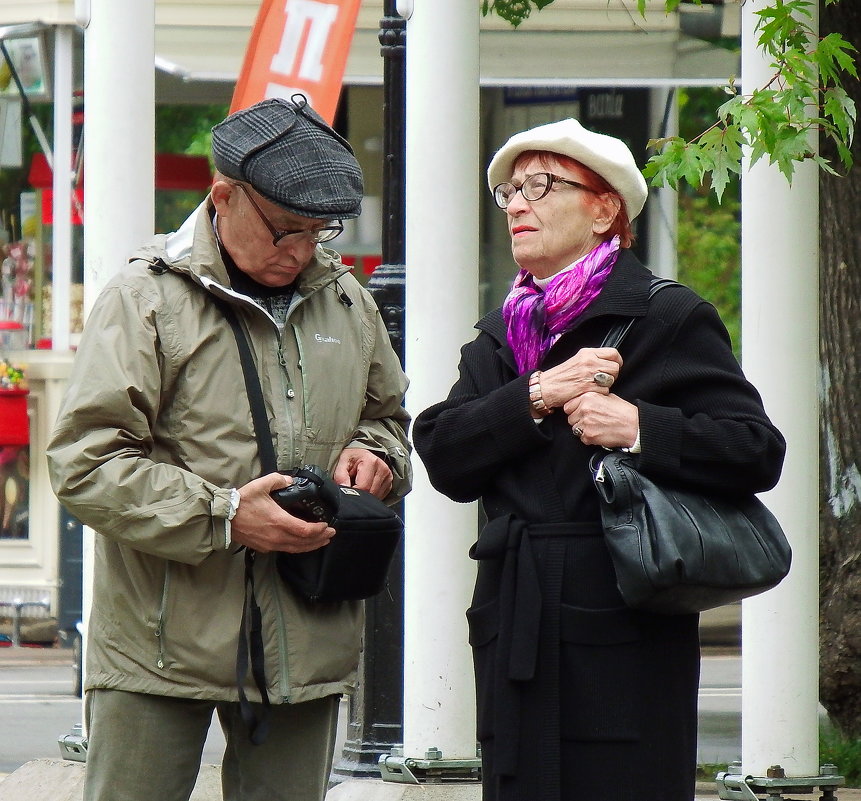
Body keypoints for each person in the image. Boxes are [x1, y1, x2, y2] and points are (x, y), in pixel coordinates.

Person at [46, 95, 412, 801]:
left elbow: (390, 421)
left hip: (306, 639)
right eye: (285, 229)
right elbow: (83, 463)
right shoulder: (144, 298)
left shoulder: (346, 299)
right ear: (223, 196)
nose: (303, 249)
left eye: (320, 230)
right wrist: (222, 514)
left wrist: (378, 458)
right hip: (156, 646)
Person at [412, 119, 785, 801]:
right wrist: (535, 392)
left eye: (538, 185)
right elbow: (442, 451)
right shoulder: (502, 333)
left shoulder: (665, 317)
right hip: (514, 622)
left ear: (604, 207)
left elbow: (755, 449)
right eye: (508, 192)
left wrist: (640, 426)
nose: (516, 204)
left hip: (625, 628)